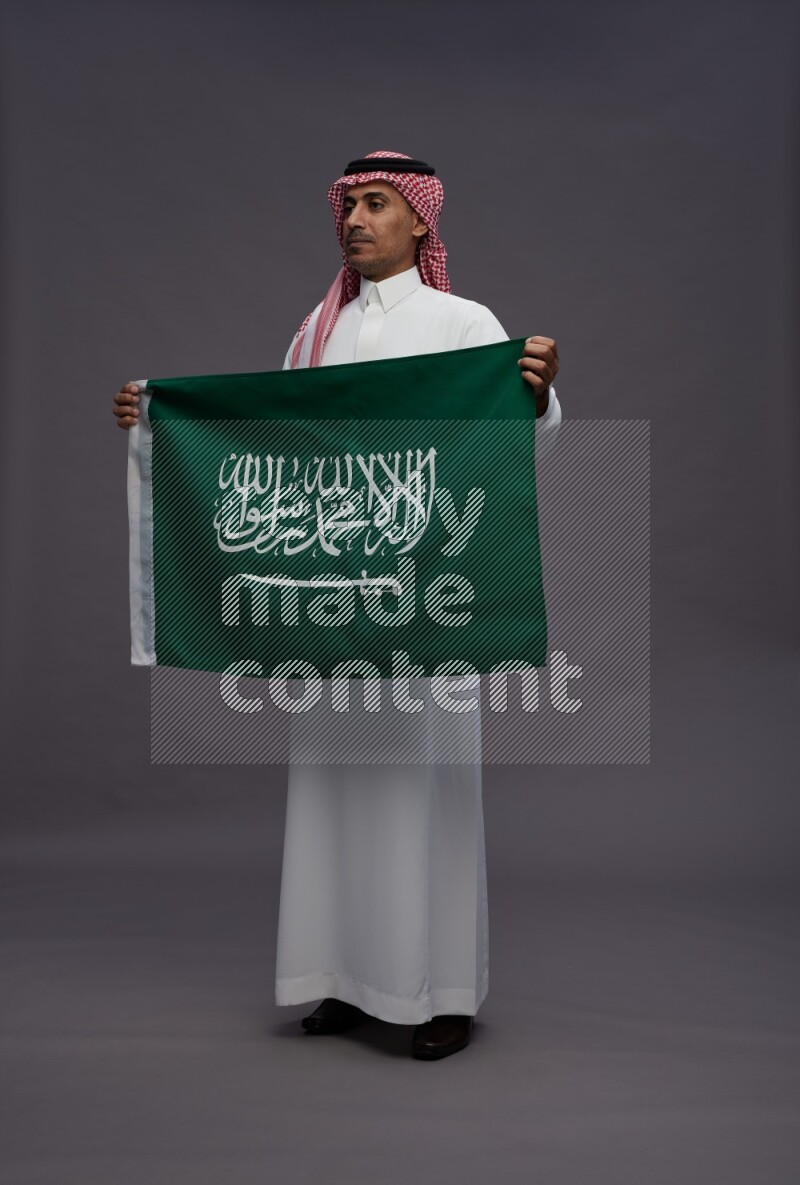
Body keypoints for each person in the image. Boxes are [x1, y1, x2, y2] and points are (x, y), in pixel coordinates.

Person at [113, 150, 561, 1060]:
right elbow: (271, 456)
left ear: (422, 222)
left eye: (378, 204)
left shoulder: (462, 321)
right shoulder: (314, 334)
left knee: (423, 789)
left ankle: (439, 992)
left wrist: (541, 395)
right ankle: (341, 980)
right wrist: (159, 419)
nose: (356, 220)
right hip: (330, 611)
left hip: (427, 606)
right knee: (333, 789)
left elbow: (511, 444)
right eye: (348, 206)